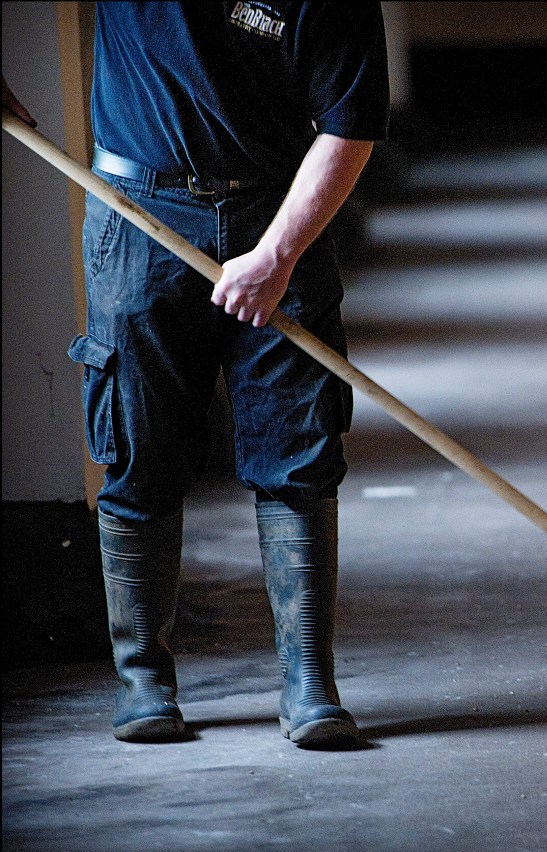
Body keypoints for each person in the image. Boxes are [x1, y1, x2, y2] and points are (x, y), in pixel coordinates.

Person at [3, 1, 388, 748]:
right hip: (138, 214)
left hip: (280, 213)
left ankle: (310, 681)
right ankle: (142, 679)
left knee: (299, 447)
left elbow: (350, 126)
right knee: (140, 448)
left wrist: (276, 257)